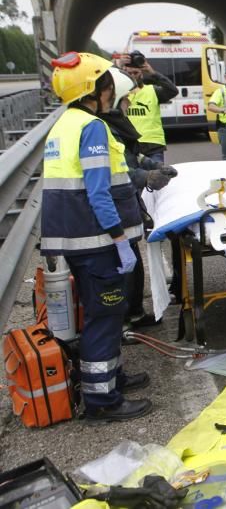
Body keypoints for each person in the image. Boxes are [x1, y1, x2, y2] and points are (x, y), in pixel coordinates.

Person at [41, 52, 151, 421]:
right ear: (94, 90)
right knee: (104, 315)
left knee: (103, 310)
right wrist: (120, 238)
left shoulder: (63, 124)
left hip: (77, 240)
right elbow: (99, 192)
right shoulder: (92, 129)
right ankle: (103, 400)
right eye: (106, 84)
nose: (110, 91)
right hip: (98, 242)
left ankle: (112, 377)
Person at [102, 68, 178, 329]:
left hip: (125, 203)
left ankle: (133, 312)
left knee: (133, 262)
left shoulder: (115, 124)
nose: (128, 104)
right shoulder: (104, 129)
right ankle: (123, 320)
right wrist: (146, 177)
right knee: (124, 265)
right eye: (125, 99)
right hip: (116, 206)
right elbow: (119, 168)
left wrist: (150, 165)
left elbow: (130, 155)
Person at [122, 51, 178, 164]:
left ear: (141, 73)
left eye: (135, 73)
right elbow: (104, 85)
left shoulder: (153, 90)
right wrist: (118, 66)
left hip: (153, 145)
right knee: (134, 180)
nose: (132, 76)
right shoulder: (120, 92)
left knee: (158, 179)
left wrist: (153, 73)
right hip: (129, 145)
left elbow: (173, 90)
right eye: (129, 73)